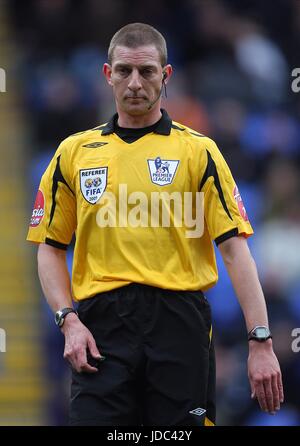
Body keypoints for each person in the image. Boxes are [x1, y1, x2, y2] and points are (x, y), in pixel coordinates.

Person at [27, 22, 284, 426]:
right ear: (107, 74)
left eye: (146, 71)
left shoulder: (200, 152)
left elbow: (235, 251)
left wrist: (261, 341)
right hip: (100, 330)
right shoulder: (73, 153)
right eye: (124, 71)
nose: (134, 83)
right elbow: (49, 248)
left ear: (166, 77)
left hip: (179, 324)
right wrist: (68, 320)